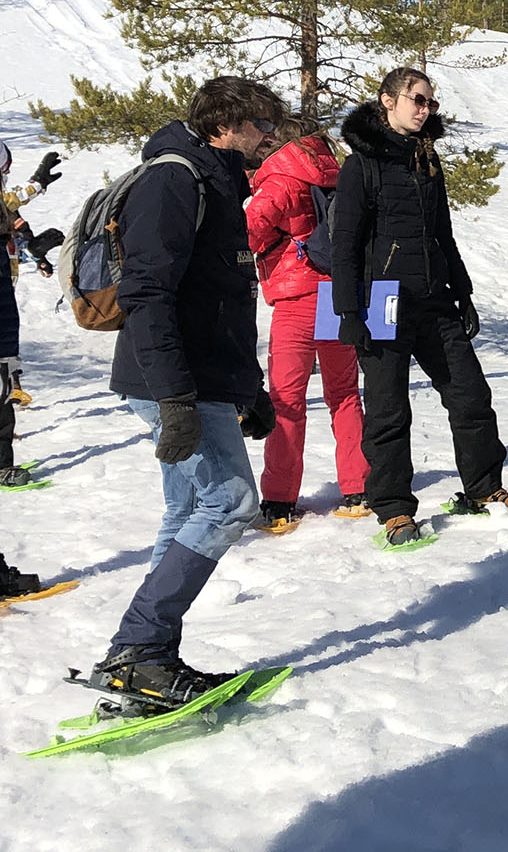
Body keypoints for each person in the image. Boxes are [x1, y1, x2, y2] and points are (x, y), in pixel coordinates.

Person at [88, 76, 281, 705]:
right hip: (173, 379)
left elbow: (221, 301)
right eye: (259, 124)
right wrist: (175, 399)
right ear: (224, 123)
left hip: (202, 377)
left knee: (185, 511)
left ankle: (147, 659)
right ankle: (139, 647)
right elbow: (148, 293)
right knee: (227, 503)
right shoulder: (176, 180)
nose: (268, 135)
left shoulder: (218, 181)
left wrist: (247, 389)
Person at [331, 67, 508, 549]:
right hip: (382, 302)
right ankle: (394, 509)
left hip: (434, 299)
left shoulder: (427, 161)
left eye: (430, 103)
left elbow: (443, 234)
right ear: (387, 101)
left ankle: (483, 488)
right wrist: (348, 312)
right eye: (417, 100)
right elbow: (345, 246)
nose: (425, 109)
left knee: (471, 395)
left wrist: (463, 291)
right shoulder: (361, 166)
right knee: (389, 411)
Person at [246, 114, 371, 527]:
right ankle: (358, 487)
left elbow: (249, 232)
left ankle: (280, 499)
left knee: (287, 400)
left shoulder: (280, 178)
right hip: (336, 295)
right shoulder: (335, 172)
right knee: (344, 394)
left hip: (297, 298)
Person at [0, 144, 63, 487]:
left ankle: (2, 461)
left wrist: (32, 252)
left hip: (4, 294)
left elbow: (13, 206)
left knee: (4, 372)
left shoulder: (3, 202)